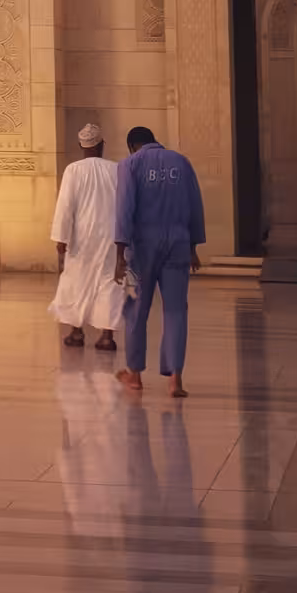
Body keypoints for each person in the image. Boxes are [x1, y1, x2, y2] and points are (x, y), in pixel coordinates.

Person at [113, 124, 205, 399]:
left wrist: (119, 254)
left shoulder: (130, 164)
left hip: (142, 249)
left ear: (132, 146)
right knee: (176, 310)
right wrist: (193, 247)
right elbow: (195, 206)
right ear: (155, 141)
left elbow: (124, 210)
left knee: (135, 310)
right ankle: (175, 379)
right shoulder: (181, 162)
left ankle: (135, 375)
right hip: (177, 244)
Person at [49, 122, 125, 351]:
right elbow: (124, 206)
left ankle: (76, 332)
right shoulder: (116, 169)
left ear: (81, 146)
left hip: (81, 238)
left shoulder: (73, 169)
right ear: (102, 145)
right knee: (108, 282)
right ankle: (106, 336)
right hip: (110, 237)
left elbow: (65, 206)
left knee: (77, 281)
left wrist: (61, 238)